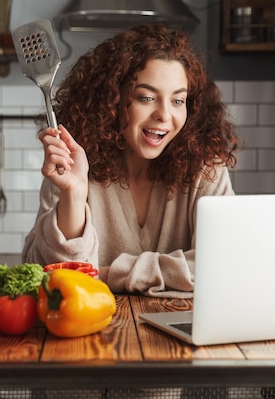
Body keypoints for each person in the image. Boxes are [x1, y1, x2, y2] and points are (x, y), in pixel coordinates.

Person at [22, 24, 239, 298]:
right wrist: (73, 196)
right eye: (146, 97)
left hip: (180, 334)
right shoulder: (72, 165)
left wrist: (109, 274)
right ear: (112, 98)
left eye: (178, 101)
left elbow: (223, 266)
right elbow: (44, 274)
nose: (164, 115)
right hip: (88, 330)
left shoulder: (206, 168)